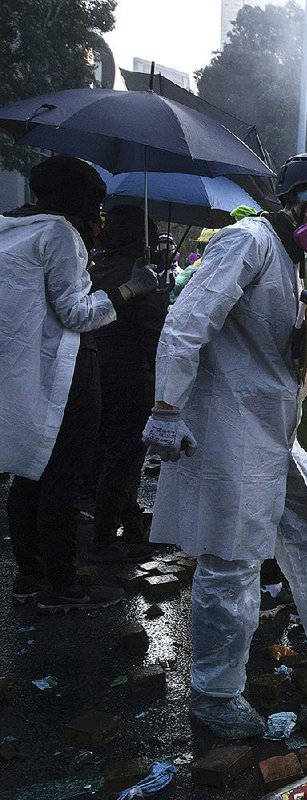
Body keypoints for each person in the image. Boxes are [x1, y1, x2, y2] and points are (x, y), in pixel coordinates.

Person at [142, 153, 307, 741]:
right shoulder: (247, 241)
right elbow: (187, 323)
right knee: (232, 560)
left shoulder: (290, 262)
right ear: (304, 200)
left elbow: (294, 343)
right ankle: (214, 694)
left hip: (268, 426)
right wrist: (165, 407)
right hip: (229, 424)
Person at [0, 155, 158, 611]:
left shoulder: (13, 230)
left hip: (23, 368)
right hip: (68, 371)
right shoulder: (60, 235)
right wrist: (129, 291)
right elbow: (74, 313)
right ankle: (63, 584)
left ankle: (28, 576)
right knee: (64, 476)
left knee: (29, 472)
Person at [90, 205, 170, 562]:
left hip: (99, 376)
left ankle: (132, 521)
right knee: (125, 460)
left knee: (113, 455)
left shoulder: (98, 270)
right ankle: (106, 538)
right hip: (134, 378)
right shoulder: (137, 276)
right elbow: (154, 333)